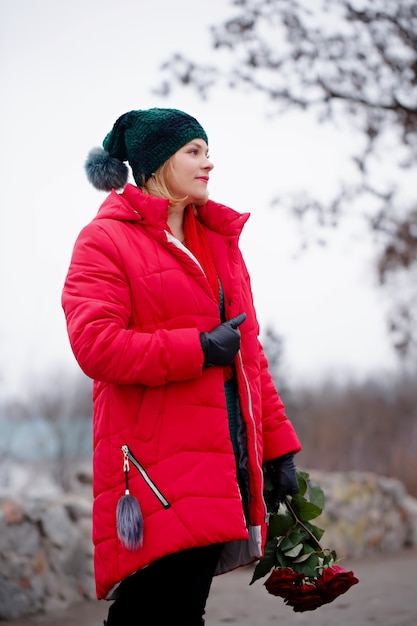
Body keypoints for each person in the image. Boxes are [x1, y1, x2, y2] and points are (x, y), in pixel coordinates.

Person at [61, 107, 302, 625]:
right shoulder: (104, 240)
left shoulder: (218, 243)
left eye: (207, 151)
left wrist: (278, 449)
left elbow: (250, 355)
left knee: (181, 606)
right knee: (154, 605)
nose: (208, 163)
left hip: (224, 456)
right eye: (194, 151)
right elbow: (95, 345)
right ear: (155, 165)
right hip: (154, 465)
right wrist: (196, 348)